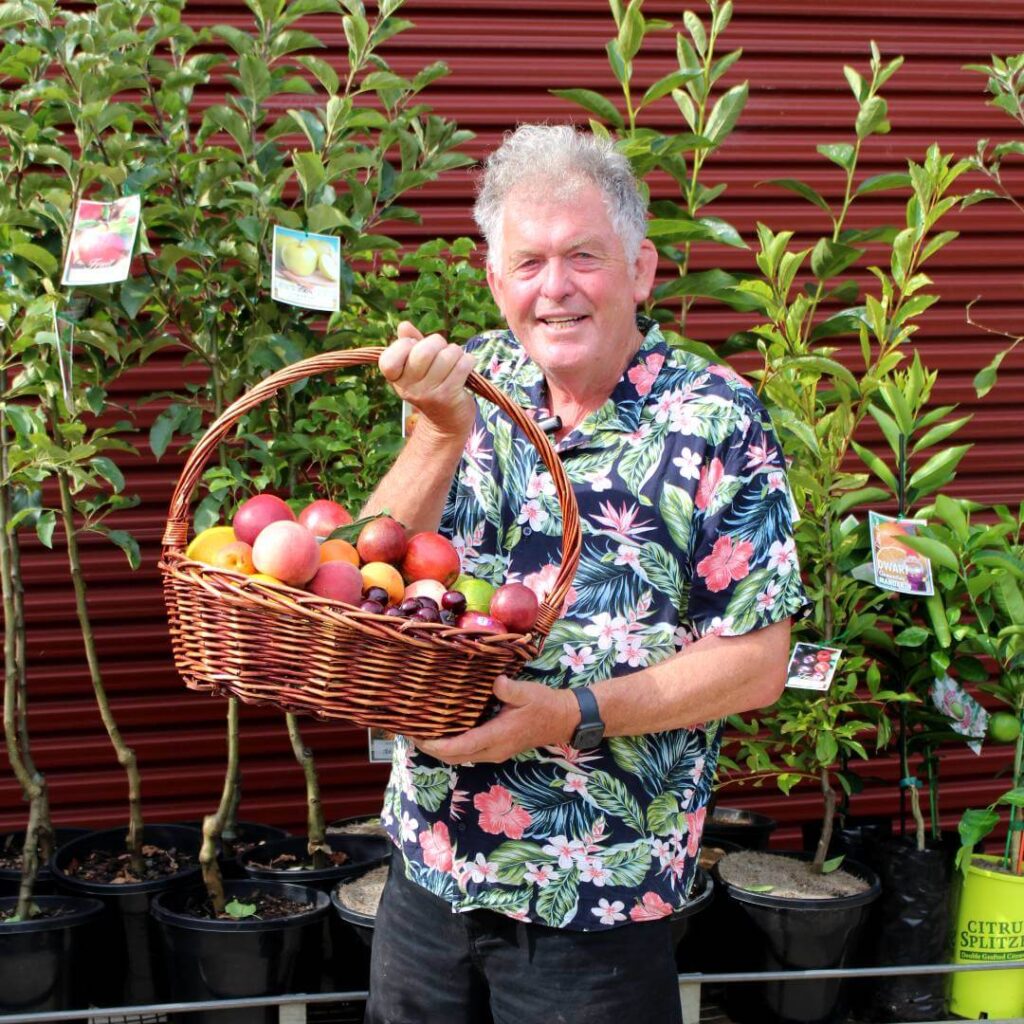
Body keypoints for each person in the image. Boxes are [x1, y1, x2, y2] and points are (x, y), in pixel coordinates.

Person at [360, 123, 807, 1024]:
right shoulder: (471, 385)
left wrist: (569, 716)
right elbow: (368, 565)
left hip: (595, 895)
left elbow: (757, 663)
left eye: (583, 258)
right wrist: (438, 431)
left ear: (640, 271)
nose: (554, 288)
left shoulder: (713, 420)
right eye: (527, 264)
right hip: (428, 868)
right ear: (494, 281)